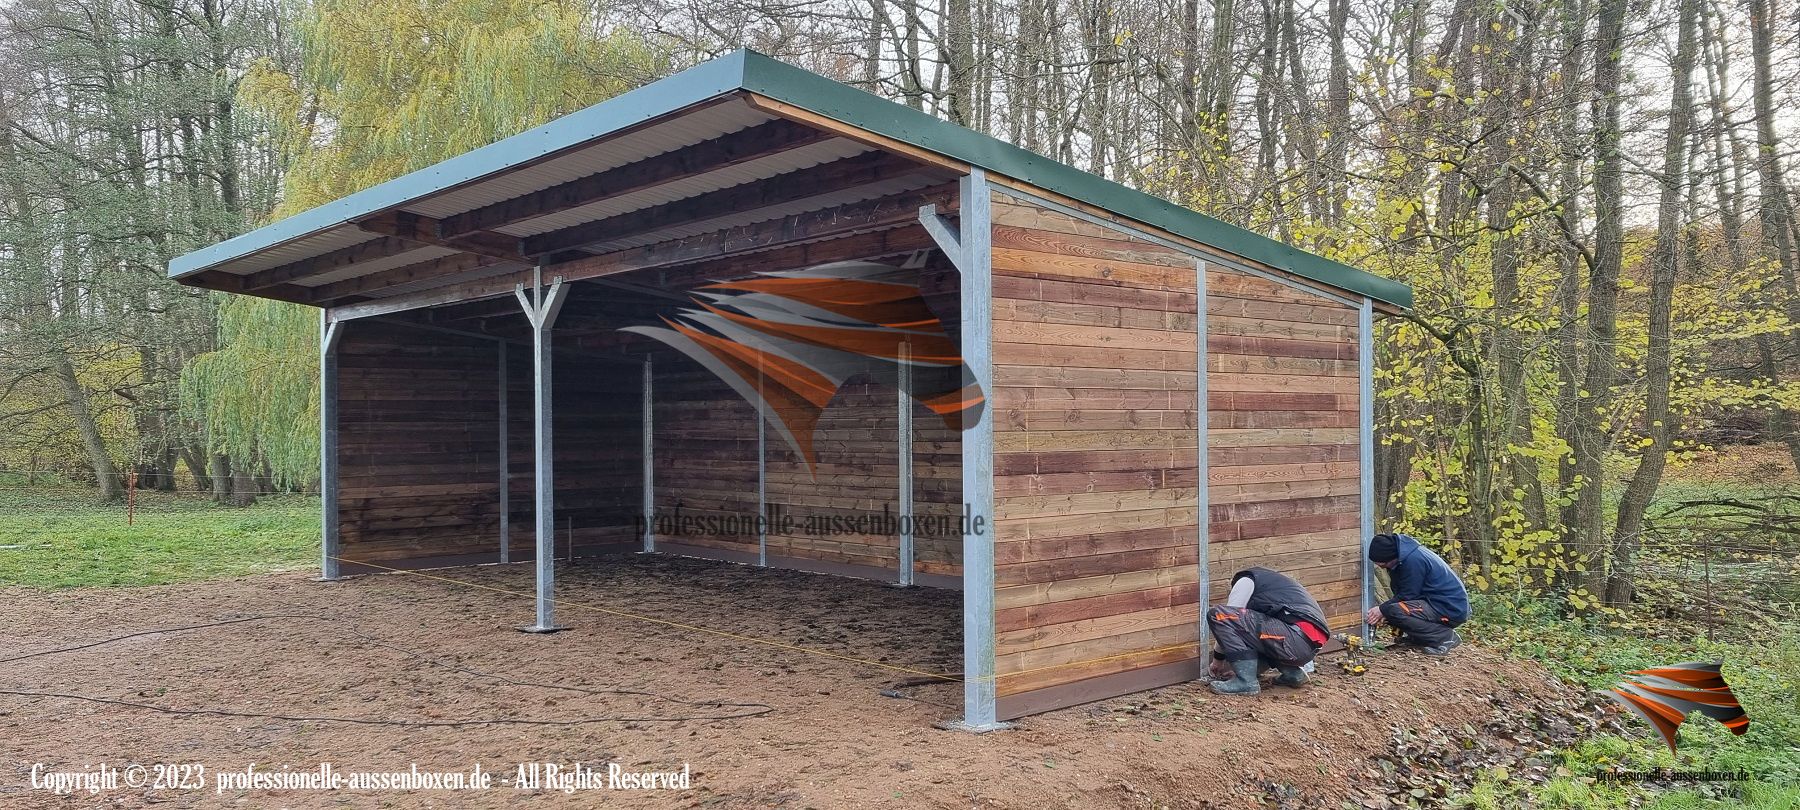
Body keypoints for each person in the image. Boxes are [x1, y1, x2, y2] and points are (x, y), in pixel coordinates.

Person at [1206, 567, 1331, 695]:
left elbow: (1228, 619)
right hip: (1307, 646)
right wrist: (1246, 671)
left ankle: (1245, 682)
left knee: (1218, 615)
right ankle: (1293, 674)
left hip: (1293, 636)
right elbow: (1263, 640)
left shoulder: (1245, 581)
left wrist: (1218, 660)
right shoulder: (1275, 590)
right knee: (1254, 631)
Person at [1364, 533, 1470, 656]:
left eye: (1383, 564)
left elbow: (1408, 596)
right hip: (1437, 603)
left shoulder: (1413, 561)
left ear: (1391, 557)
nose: (1380, 566)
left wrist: (1381, 610)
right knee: (1392, 609)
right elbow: (1404, 593)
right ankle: (1419, 639)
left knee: (1393, 610)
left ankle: (1445, 638)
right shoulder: (1403, 556)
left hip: (1449, 607)